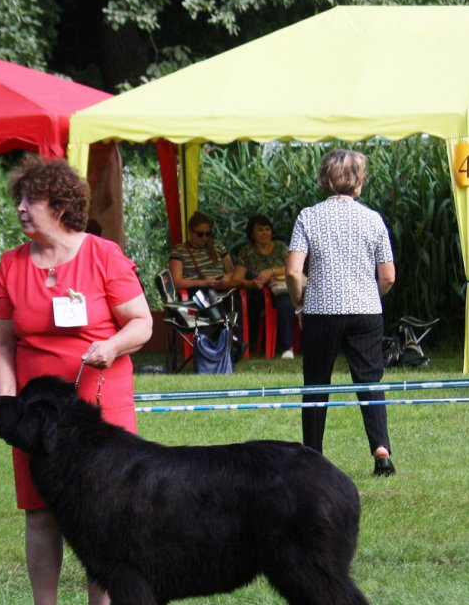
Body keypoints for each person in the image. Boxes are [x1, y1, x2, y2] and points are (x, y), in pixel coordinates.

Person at [0, 156, 152, 605]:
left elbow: (140, 323)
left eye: (30, 200)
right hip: (38, 416)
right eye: (18, 199)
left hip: (100, 405)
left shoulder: (103, 255)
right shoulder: (10, 265)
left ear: (60, 206)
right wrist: (8, 403)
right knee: (40, 513)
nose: (20, 209)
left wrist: (112, 347)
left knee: (102, 512)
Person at [285, 149, 396, 476]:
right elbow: (388, 275)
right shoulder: (373, 219)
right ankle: (381, 451)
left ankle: (313, 457)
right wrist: (371, 297)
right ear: (358, 182)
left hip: (321, 311)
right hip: (365, 311)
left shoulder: (308, 216)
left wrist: (299, 304)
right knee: (370, 379)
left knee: (316, 383)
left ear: (325, 180)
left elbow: (293, 272)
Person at [231, 214, 296, 359]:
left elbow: (292, 267)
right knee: (245, 304)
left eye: (267, 229)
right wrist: (252, 283)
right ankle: (250, 345)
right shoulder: (246, 251)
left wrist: (271, 271)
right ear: (252, 233)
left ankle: (287, 348)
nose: (265, 233)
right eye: (260, 230)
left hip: (281, 288)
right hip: (259, 293)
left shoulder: (280, 247)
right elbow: (237, 279)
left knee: (286, 302)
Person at [168, 211, 234, 293]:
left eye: (208, 234)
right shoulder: (179, 251)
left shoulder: (217, 246)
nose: (204, 237)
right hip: (198, 292)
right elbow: (176, 281)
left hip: (222, 288)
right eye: (200, 234)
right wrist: (202, 283)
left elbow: (232, 272)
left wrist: (226, 278)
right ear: (190, 231)